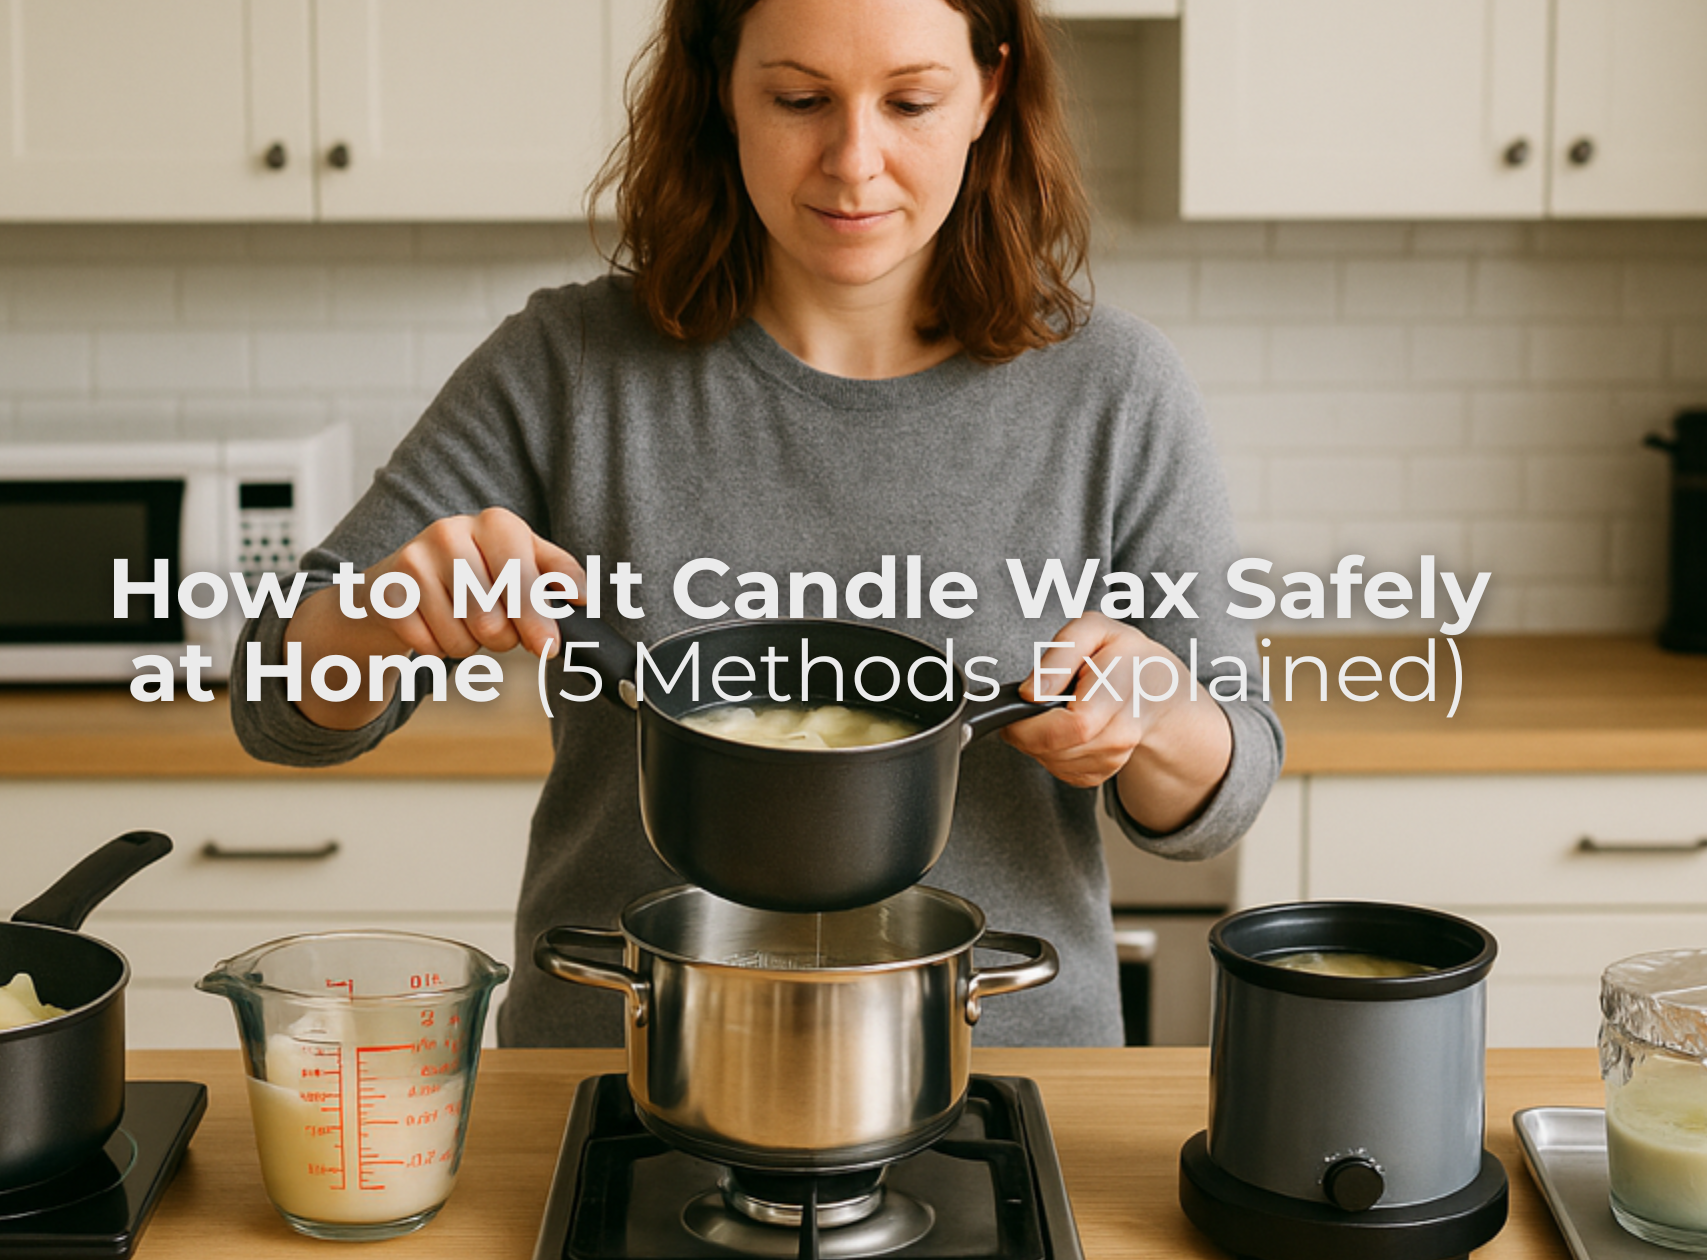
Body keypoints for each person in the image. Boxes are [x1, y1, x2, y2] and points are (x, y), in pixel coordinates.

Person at [232, 0, 1282, 1047]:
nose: (855, 162)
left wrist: (1150, 708)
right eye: (799, 99)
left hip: (996, 1070)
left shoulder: (1116, 390)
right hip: (625, 1067)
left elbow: (1226, 786)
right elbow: (277, 701)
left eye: (911, 100)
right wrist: (379, 617)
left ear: (989, 92)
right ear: (720, 88)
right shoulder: (567, 368)